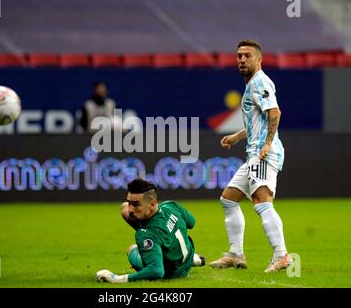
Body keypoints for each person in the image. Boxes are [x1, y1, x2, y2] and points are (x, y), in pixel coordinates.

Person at [209, 39, 292, 273]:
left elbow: (274, 113)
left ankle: (282, 255)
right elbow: (261, 121)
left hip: (263, 154)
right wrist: (237, 136)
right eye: (239, 56)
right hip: (254, 153)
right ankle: (236, 253)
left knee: (261, 202)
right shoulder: (252, 85)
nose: (242, 60)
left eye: (247, 55)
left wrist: (266, 144)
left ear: (259, 59)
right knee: (228, 199)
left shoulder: (260, 82)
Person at [96, 179, 205, 283]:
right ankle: (193, 259)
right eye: (129, 202)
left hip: (172, 273)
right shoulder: (171, 205)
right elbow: (192, 222)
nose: (130, 209)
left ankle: (156, 243)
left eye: (136, 204)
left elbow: (156, 271)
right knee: (124, 208)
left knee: (132, 249)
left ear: (152, 204)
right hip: (187, 258)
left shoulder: (146, 234)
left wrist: (117, 279)